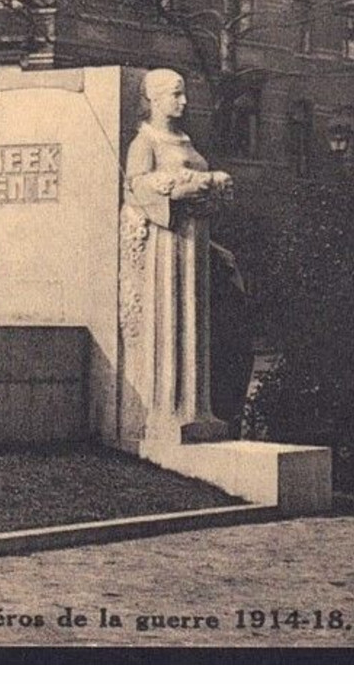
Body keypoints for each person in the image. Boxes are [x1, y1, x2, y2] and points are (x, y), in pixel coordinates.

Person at [120, 68, 232, 445]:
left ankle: (197, 410)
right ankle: (167, 413)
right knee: (171, 318)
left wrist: (213, 183)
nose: (183, 102)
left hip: (194, 242)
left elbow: (198, 181)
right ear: (154, 98)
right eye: (175, 95)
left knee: (194, 320)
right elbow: (135, 188)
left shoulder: (184, 139)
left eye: (183, 95)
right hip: (166, 247)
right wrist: (174, 191)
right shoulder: (145, 141)